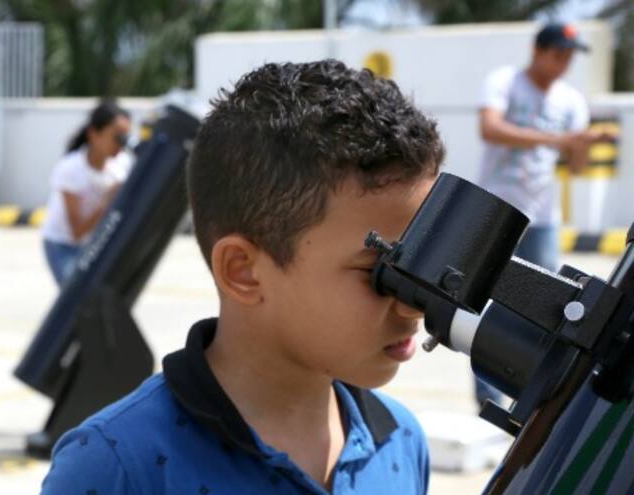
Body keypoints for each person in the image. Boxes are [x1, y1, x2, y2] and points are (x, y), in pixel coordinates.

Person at [40, 60, 445, 494]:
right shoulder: (116, 466)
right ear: (243, 271)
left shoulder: (402, 441)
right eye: (377, 272)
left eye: (420, 264)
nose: (414, 303)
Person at [474, 23, 606, 407]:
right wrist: (559, 140)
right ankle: (488, 394)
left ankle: (526, 385)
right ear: (538, 50)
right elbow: (491, 128)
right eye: (558, 54)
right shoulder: (505, 81)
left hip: (543, 213)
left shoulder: (571, 100)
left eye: (569, 57)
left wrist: (581, 145)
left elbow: (576, 166)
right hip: (501, 205)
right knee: (487, 295)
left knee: (547, 303)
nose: (564, 64)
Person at [41, 100, 132, 284]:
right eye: (116, 137)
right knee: (76, 298)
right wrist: (108, 201)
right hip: (63, 245)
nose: (120, 145)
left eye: (124, 137)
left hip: (94, 244)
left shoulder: (122, 165)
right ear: (93, 134)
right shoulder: (71, 169)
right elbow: (77, 232)